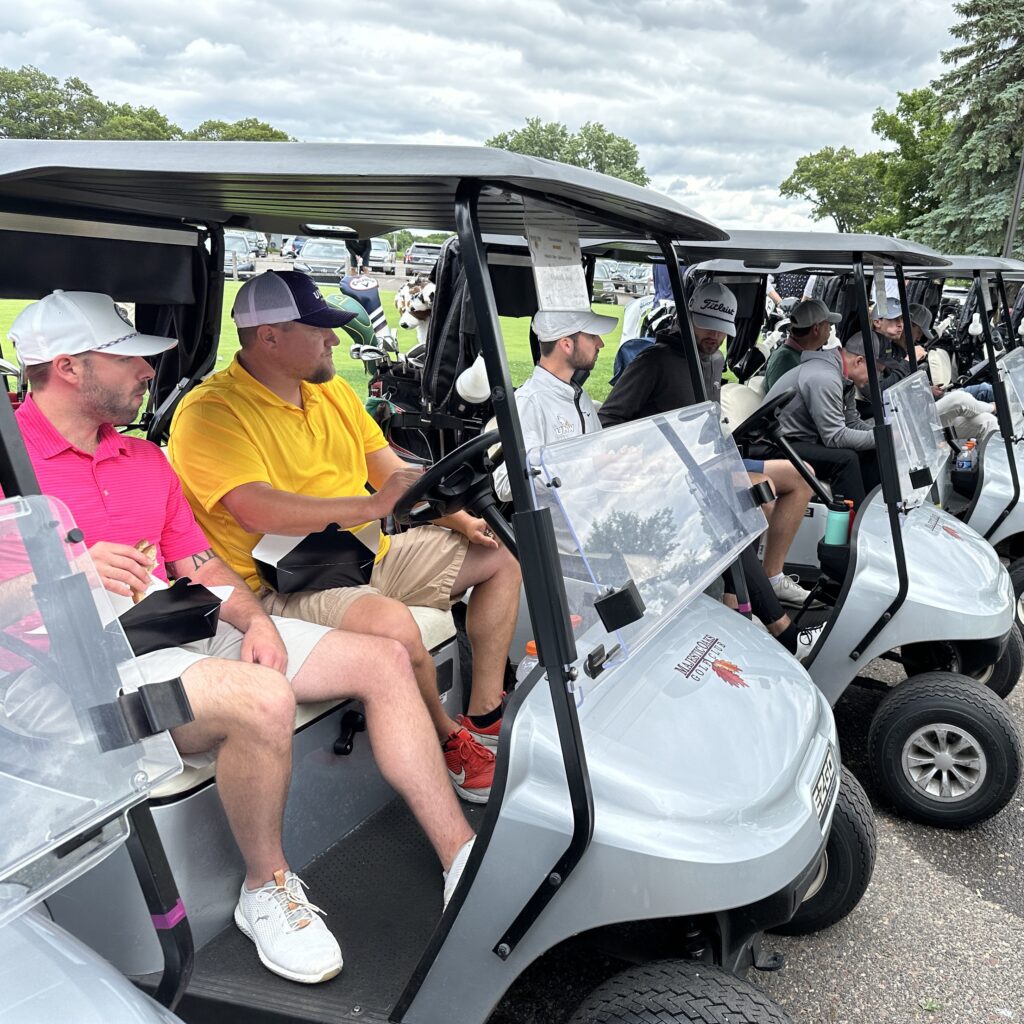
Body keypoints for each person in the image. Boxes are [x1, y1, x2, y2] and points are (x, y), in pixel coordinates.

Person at [6, 289, 476, 985]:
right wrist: (65, 576)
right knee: (259, 698)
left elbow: (198, 564)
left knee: (381, 659)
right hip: (59, 680)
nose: (146, 373)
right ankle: (267, 888)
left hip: (165, 638)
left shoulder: (139, 460)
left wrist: (255, 619)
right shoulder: (7, 460)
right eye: (128, 360)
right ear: (70, 367)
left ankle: (460, 856)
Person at [168, 271, 521, 802]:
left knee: (504, 555)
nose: (336, 338)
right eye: (321, 329)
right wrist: (371, 506)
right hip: (285, 579)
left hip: (364, 553)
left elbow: (388, 471)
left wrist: (459, 518)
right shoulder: (210, 413)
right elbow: (252, 508)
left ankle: (484, 714)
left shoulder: (329, 390)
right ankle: (450, 743)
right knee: (392, 624)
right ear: (269, 337)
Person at [764, 332, 883, 508]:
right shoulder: (825, 377)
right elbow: (835, 437)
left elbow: (851, 422)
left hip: (799, 440)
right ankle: (852, 525)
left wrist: (882, 434)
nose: (878, 378)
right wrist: (882, 437)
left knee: (872, 450)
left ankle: (876, 512)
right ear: (859, 361)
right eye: (877, 371)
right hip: (776, 444)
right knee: (846, 460)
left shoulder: (843, 378)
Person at [762, 298, 840, 393]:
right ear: (816, 328)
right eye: (828, 324)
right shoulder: (785, 360)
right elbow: (783, 405)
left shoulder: (797, 355)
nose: (830, 329)